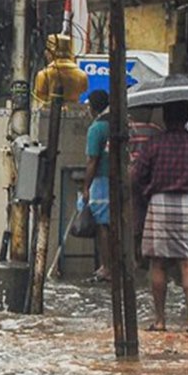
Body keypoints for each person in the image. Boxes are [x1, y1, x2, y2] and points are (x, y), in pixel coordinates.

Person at [132, 101, 188, 333]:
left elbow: (138, 175)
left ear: (165, 118)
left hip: (159, 202)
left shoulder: (154, 144)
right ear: (186, 118)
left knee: (158, 262)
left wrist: (149, 188)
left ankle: (160, 321)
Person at [80, 90, 112, 281]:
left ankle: (106, 267)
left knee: (102, 226)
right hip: (118, 180)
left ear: (93, 106)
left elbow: (92, 160)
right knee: (113, 225)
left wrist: (86, 186)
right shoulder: (117, 125)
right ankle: (113, 266)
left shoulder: (96, 128)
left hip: (100, 181)